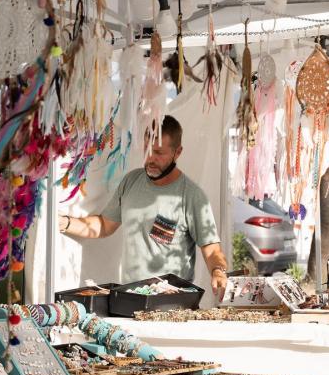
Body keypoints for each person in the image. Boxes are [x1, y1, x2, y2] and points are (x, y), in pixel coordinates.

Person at [58, 115, 229, 299]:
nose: (150, 158)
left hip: (171, 303)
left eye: (158, 152)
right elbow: (104, 225)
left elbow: (211, 248)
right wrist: (64, 223)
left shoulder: (192, 196)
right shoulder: (131, 181)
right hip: (130, 297)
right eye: (147, 150)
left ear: (177, 152)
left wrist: (218, 271)